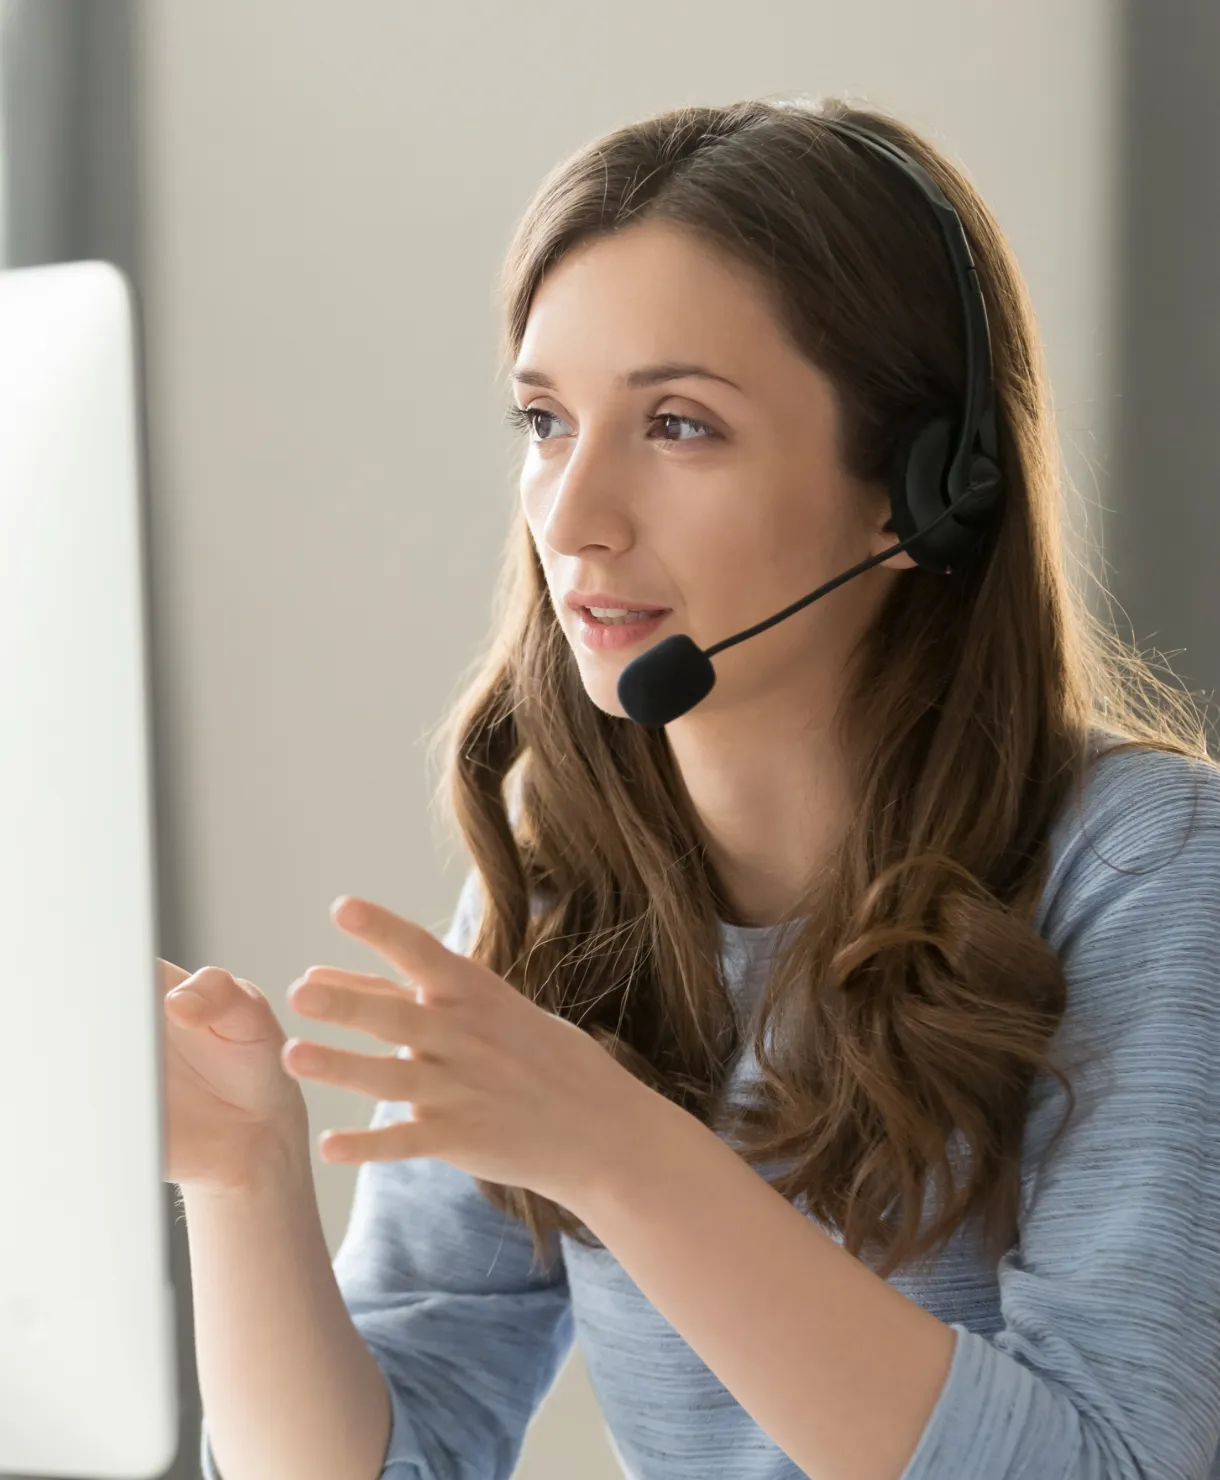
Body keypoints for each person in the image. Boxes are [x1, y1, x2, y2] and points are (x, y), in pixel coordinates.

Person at [163, 96, 1220, 1480]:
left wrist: (624, 1154)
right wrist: (242, 1180)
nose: (571, 513)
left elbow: (1117, 1463)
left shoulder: (1145, 873)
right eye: (544, 419)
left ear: (921, 491)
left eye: (677, 426)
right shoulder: (560, 900)